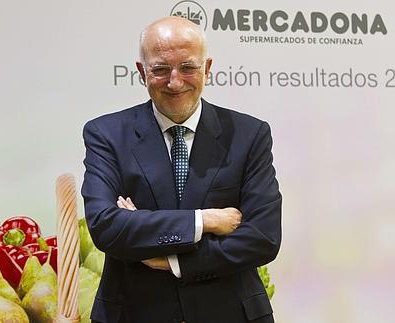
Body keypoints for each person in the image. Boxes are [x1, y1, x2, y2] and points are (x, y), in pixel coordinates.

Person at [81, 16, 281, 323]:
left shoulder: (249, 134)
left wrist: (174, 261)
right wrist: (205, 220)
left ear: (207, 68)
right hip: (134, 313)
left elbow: (262, 238)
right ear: (141, 72)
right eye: (160, 69)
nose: (175, 81)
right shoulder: (106, 134)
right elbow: (107, 227)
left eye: (187, 67)